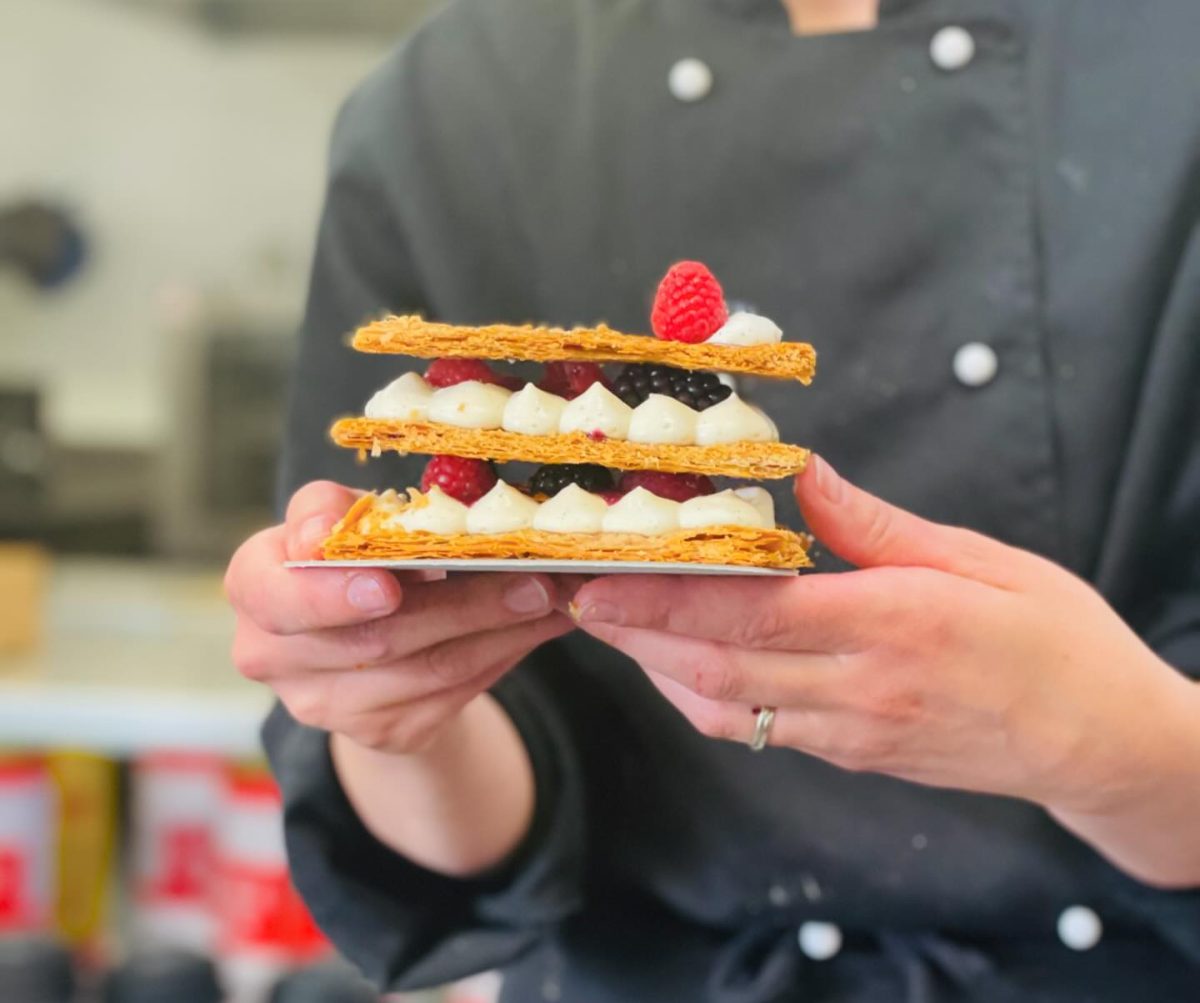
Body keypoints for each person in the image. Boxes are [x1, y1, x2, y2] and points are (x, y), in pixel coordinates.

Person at [224, 0, 1200, 999]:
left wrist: (1106, 747)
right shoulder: (453, 99)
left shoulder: (1172, 63)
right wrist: (391, 703)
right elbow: (465, 832)